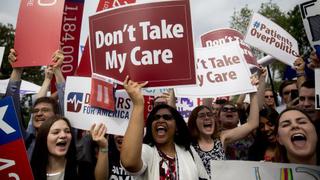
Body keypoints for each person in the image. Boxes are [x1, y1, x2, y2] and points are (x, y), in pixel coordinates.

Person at [120, 76, 208, 180]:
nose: (160, 120)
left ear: (176, 127)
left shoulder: (189, 151)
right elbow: (129, 163)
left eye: (167, 117)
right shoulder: (146, 151)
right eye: (156, 118)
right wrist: (138, 104)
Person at [187, 90, 259, 177]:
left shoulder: (221, 138)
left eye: (210, 115)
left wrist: (253, 91)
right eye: (202, 115)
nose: (207, 118)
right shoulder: (188, 143)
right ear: (194, 122)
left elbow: (253, 123)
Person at [30, 115, 108, 180]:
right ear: (44, 138)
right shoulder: (30, 172)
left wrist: (103, 146)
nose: (63, 135)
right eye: (56, 132)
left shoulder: (82, 169)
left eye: (67, 131)